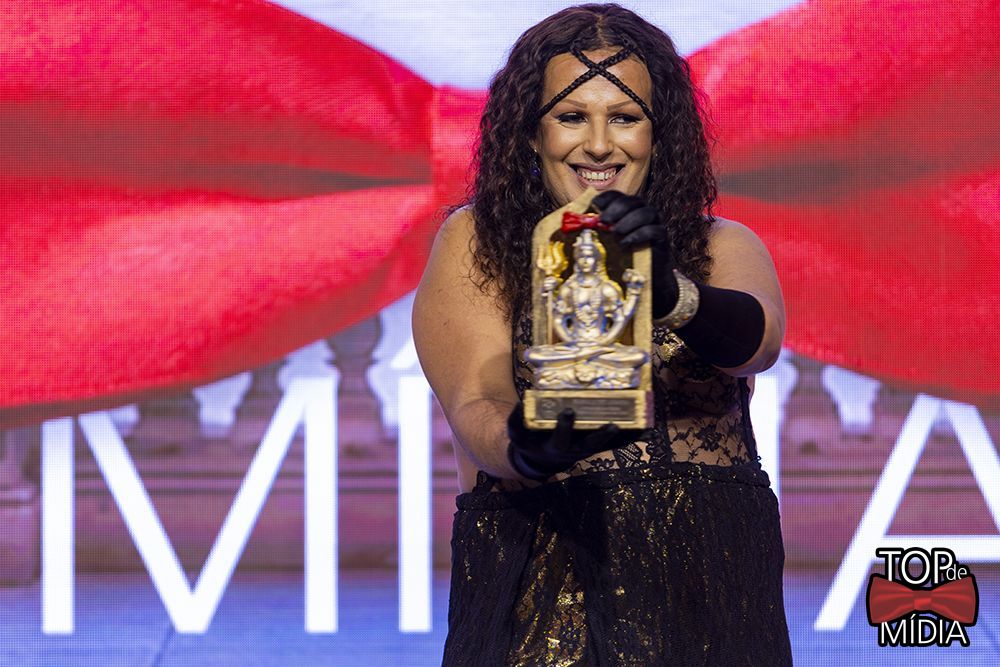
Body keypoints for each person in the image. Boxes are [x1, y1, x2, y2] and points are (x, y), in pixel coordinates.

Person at [413, 4, 792, 664]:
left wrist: (670, 293)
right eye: (570, 116)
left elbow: (758, 344)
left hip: (714, 591)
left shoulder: (722, 244)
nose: (597, 144)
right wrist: (534, 444)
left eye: (623, 117)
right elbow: (476, 402)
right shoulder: (477, 241)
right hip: (541, 593)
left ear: (659, 132)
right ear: (531, 134)